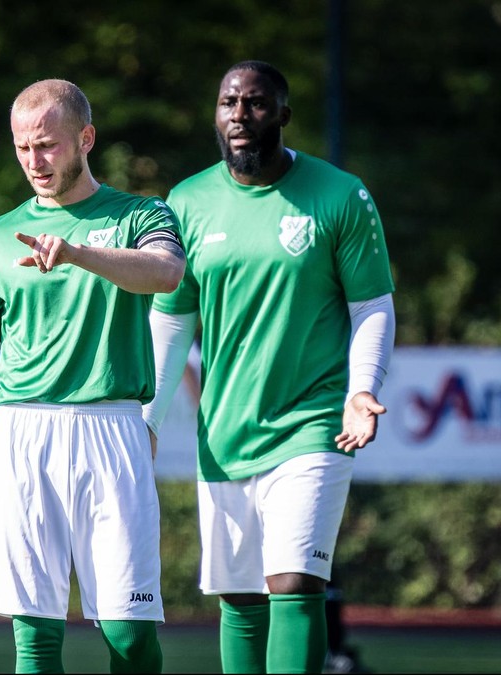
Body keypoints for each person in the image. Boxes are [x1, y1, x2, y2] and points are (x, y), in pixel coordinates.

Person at [142, 60, 395, 674]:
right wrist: (146, 417)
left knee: (295, 581)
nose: (239, 116)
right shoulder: (188, 202)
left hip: (314, 424)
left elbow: (373, 306)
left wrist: (362, 390)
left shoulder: (340, 195)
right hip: (226, 432)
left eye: (254, 104)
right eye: (228, 103)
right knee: (240, 598)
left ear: (282, 114)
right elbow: (173, 323)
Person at [0, 79, 185, 674]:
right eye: (22, 148)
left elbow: (166, 273)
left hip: (112, 429)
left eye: (46, 145)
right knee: (35, 636)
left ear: (85, 139)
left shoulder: (140, 214)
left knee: (130, 633)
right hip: (22, 435)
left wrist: (74, 252)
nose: (34, 162)